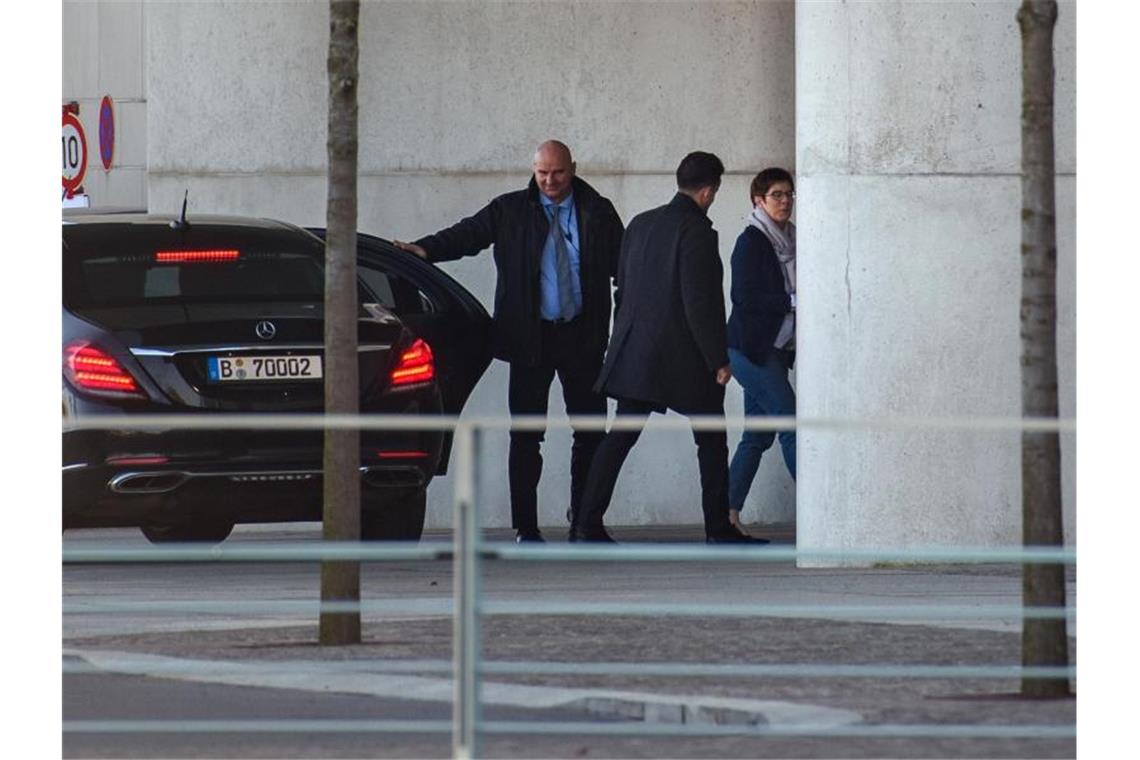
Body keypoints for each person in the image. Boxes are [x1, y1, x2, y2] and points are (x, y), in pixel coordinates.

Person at [393, 140, 624, 543]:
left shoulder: (598, 211)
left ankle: (585, 521)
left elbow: (625, 266)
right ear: (533, 171)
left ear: (573, 168)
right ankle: (527, 528)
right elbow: (468, 235)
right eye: (542, 173)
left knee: (590, 431)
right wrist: (425, 249)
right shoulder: (510, 210)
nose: (550, 181)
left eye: (558, 173)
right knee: (526, 435)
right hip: (530, 339)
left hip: (582, 338)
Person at [571, 151, 761, 544]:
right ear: (709, 191)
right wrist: (718, 359)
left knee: (620, 434)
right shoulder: (698, 232)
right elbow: (700, 301)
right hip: (681, 359)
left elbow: (623, 288)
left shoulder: (640, 224)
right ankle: (718, 527)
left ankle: (586, 522)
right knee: (711, 437)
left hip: (634, 352)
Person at [725, 168, 797, 534]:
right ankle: (823, 516)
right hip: (751, 352)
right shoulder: (752, 241)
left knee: (756, 435)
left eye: (788, 194)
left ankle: (725, 516)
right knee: (793, 424)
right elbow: (743, 297)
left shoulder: (793, 239)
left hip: (774, 351)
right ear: (758, 200)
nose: (784, 201)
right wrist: (791, 300)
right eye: (776, 195)